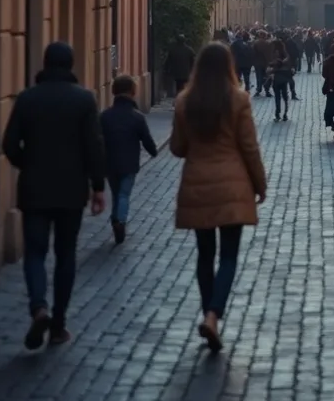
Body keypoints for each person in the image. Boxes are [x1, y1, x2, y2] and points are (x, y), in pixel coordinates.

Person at [0, 41, 106, 349]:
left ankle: (38, 307)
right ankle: (58, 325)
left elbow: (9, 144)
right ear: (71, 65)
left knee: (34, 252)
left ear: (45, 64)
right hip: (71, 191)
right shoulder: (84, 100)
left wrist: (27, 163)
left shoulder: (27, 99)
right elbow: (94, 146)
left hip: (34, 188)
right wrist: (98, 186)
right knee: (65, 255)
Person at [172, 40, 266, 353]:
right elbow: (249, 148)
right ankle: (214, 315)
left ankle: (207, 312)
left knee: (204, 254)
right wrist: (259, 184)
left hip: (197, 185)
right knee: (228, 257)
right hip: (232, 186)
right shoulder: (238, 99)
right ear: (229, 66)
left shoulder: (185, 101)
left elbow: (176, 148)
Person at [99, 73, 158, 244]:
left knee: (117, 192)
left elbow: (97, 139)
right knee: (124, 194)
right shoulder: (137, 117)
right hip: (129, 163)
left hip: (109, 163)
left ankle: (116, 219)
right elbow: (146, 138)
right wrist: (153, 151)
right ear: (133, 92)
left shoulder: (105, 116)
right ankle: (120, 220)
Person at [270, 50, 293, 122]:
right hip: (284, 84)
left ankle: (277, 114)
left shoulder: (275, 68)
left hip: (276, 84)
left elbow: (269, 72)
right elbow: (291, 76)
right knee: (285, 98)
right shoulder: (286, 69)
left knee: (277, 98)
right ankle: (285, 114)